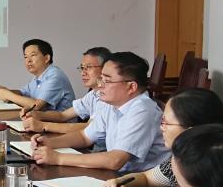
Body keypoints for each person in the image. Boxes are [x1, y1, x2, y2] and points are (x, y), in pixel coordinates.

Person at [99, 88, 223, 187]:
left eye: (166, 123)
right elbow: (147, 178)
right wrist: (120, 182)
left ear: (190, 130)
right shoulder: (184, 155)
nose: (161, 128)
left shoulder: (209, 161)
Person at [30, 51, 167, 173]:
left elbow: (115, 160)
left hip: (147, 186)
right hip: (121, 177)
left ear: (131, 87)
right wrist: (49, 143)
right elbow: (84, 137)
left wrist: (58, 158)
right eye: (101, 79)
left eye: (107, 80)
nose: (100, 85)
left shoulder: (142, 110)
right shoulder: (111, 104)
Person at [21, 46, 110, 136]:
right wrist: (36, 114)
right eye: (82, 68)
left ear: (105, 69)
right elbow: (63, 115)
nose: (83, 73)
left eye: (89, 67)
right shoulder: (93, 94)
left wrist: (43, 126)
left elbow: (89, 127)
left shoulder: (109, 97)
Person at [0, 38, 74, 113]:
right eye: (25, 57)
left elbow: (36, 106)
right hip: (43, 121)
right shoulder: (38, 77)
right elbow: (22, 93)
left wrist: (8, 95)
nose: (28, 60)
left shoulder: (55, 76)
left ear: (47, 58)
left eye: (33, 55)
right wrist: (6, 91)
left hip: (61, 123)